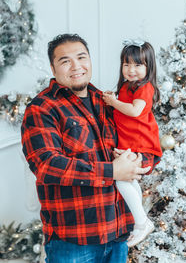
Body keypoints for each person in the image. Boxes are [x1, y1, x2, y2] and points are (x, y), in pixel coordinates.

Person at [21, 34, 153, 263]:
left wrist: (141, 161)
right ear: (53, 68)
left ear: (90, 61)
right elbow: (46, 165)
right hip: (73, 240)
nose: (76, 66)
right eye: (65, 61)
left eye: (81, 57)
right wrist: (112, 171)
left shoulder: (107, 101)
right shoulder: (42, 108)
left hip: (118, 233)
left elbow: (140, 135)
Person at [103, 39, 162, 247]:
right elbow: (121, 114)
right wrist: (113, 100)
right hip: (132, 146)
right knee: (129, 181)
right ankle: (141, 221)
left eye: (138, 65)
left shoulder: (145, 88)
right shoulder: (127, 87)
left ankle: (141, 223)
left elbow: (135, 111)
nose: (131, 69)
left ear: (149, 67)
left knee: (121, 180)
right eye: (126, 64)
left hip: (143, 148)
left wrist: (113, 102)